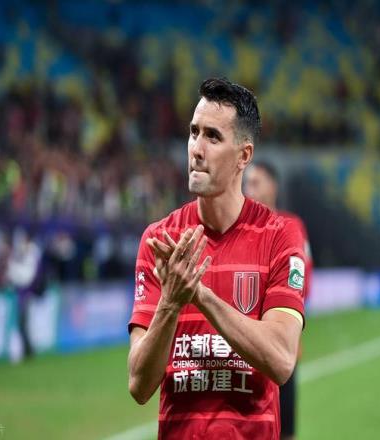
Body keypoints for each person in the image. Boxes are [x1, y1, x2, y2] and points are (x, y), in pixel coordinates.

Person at [127, 78, 309, 439]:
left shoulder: (279, 236)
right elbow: (139, 385)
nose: (196, 148)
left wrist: (199, 295)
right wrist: (170, 304)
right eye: (193, 132)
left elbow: (281, 360)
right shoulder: (159, 240)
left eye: (213, 137)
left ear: (244, 156)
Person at [245, 161, 313, 440]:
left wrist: (290, 325)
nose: (249, 189)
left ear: (273, 186)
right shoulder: (240, 228)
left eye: (255, 182)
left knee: (285, 429)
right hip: (246, 344)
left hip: (281, 341)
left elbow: (303, 281)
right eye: (247, 183)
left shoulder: (291, 227)